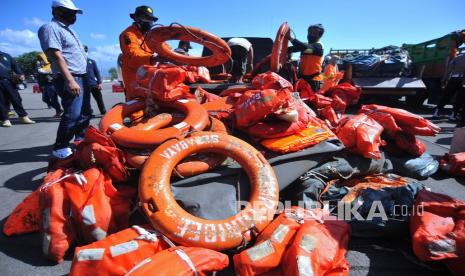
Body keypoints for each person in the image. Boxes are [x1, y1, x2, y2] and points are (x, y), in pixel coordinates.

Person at [38, 0, 90, 159]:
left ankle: (80, 140)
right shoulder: (50, 28)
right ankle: (60, 147)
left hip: (81, 75)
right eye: (70, 12)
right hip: (70, 77)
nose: (74, 15)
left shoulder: (67, 30)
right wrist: (70, 81)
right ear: (57, 11)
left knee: (85, 113)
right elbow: (56, 56)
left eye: (74, 13)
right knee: (73, 114)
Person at [119, 5, 160, 100]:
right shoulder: (128, 34)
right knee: (137, 110)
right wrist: (153, 58)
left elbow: (165, 48)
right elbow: (133, 55)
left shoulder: (150, 36)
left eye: (151, 19)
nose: (150, 22)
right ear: (137, 18)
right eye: (147, 18)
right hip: (134, 80)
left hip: (151, 79)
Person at [0, 50, 36, 127]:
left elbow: (15, 66)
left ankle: (24, 117)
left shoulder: (6, 56)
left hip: (9, 81)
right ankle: (5, 119)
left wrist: (20, 74)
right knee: (1, 101)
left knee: (16, 99)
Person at [288, 24, 325, 92]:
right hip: (302, 78)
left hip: (313, 80)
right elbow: (291, 49)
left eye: (314, 33)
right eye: (310, 32)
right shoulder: (305, 45)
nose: (311, 34)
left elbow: (305, 48)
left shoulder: (319, 46)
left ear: (319, 35)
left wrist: (291, 38)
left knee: (311, 101)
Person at [433, 53, 465, 120]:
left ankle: (437, 112)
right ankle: (453, 115)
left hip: (453, 79)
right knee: (459, 98)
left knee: (446, 96)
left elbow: (449, 69)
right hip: (463, 80)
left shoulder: (457, 57)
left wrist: (444, 79)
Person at [36, 52, 63, 117]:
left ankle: (58, 111)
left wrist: (39, 67)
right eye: (39, 59)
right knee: (45, 99)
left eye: (41, 58)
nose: (40, 60)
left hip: (51, 83)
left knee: (54, 99)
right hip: (44, 84)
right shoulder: (42, 65)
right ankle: (59, 109)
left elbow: (44, 71)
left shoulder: (50, 65)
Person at [84, 45, 106, 115]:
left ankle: (103, 111)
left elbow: (97, 72)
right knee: (86, 100)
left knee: (99, 99)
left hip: (94, 84)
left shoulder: (92, 61)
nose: (85, 52)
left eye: (86, 50)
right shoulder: (78, 62)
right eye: (84, 50)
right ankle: (89, 112)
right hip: (84, 85)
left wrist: (99, 83)